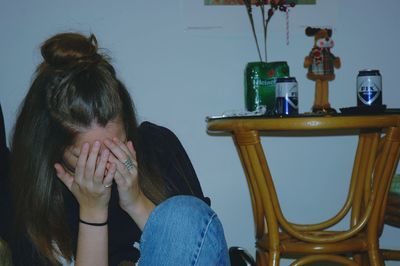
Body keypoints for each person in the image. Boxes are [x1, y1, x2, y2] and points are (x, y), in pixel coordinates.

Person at [7, 32, 230, 266]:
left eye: (115, 145)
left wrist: (136, 202)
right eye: (87, 156)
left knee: (183, 215)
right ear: (52, 147)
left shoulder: (157, 147)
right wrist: (93, 214)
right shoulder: (31, 195)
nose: (105, 163)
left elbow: (199, 246)